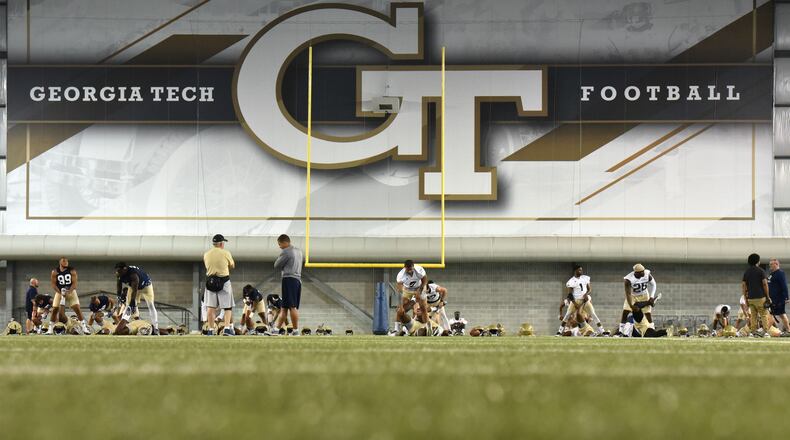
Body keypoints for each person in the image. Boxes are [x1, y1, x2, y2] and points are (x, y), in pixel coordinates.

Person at [270, 234, 304, 336]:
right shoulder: (299, 251)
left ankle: (296, 331)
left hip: (289, 279)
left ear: (285, 242)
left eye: (280, 244)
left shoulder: (286, 251)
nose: (279, 246)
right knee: (284, 307)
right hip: (297, 280)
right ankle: (276, 329)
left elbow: (276, 265)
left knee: (292, 307)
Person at [203, 234, 236, 336]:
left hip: (210, 282)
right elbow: (232, 265)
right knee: (227, 307)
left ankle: (211, 329)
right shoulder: (226, 253)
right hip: (224, 281)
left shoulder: (206, 254)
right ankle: (226, 328)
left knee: (210, 307)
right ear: (221, 243)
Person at [742, 253, 782, 337]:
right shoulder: (761, 271)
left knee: (753, 316)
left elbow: (744, 286)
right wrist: (767, 297)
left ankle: (753, 333)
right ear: (758, 261)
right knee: (764, 314)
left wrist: (746, 298)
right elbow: (765, 284)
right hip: (760, 297)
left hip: (751, 298)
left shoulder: (746, 272)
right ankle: (766, 332)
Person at [115, 262, 160, 335]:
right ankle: (122, 326)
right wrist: (118, 295)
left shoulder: (133, 275)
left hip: (146, 286)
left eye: (119, 271)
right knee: (128, 306)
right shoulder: (119, 273)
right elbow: (119, 284)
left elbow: (135, 290)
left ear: (125, 269)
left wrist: (133, 302)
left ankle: (156, 328)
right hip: (133, 286)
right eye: (117, 271)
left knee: (151, 305)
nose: (118, 273)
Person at [48, 257, 89, 335]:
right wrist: (59, 292)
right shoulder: (55, 272)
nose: (66, 262)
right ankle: (50, 329)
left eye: (67, 261)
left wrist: (69, 291)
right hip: (60, 291)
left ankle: (84, 328)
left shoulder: (72, 270)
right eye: (64, 261)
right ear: (60, 262)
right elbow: (53, 284)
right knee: (55, 309)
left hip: (71, 291)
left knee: (77, 308)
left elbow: (74, 283)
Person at [617, 263, 659, 337]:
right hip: (632, 296)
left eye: (643, 271)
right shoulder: (628, 279)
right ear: (636, 273)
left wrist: (652, 297)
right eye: (641, 272)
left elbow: (654, 284)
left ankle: (652, 329)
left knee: (648, 313)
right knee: (625, 312)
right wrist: (631, 305)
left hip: (644, 294)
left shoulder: (647, 274)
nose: (643, 272)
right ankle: (621, 331)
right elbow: (628, 293)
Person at [562, 265, 606, 336]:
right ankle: (597, 333)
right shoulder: (569, 300)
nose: (581, 271)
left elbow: (589, 305)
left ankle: (600, 332)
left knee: (586, 317)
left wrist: (589, 317)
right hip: (577, 324)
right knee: (571, 321)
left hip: (583, 321)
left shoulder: (587, 297)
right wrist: (561, 315)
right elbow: (562, 306)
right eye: (579, 270)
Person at [392, 260, 430, 336]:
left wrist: (419, 291)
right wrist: (400, 305)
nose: (410, 271)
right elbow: (399, 292)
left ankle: (427, 326)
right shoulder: (400, 275)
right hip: (407, 289)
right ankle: (396, 329)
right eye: (408, 270)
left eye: (411, 269)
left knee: (423, 307)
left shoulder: (419, 270)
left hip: (419, 287)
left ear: (413, 267)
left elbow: (424, 281)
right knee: (400, 309)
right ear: (405, 268)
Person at [768, 258, 790, 333]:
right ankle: (788, 330)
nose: (770, 266)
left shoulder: (780, 273)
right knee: (777, 314)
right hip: (772, 298)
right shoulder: (771, 274)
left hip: (779, 298)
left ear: (776, 264)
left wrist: (787, 297)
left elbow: (784, 285)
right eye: (769, 264)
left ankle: (765, 331)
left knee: (781, 314)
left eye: (771, 264)